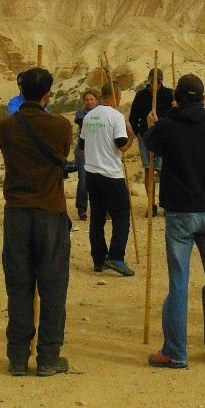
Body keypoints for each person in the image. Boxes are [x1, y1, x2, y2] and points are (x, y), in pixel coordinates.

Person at [142, 73, 205, 368]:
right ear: (203, 97)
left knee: (179, 282)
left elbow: (151, 144)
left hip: (180, 212)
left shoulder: (167, 126)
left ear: (177, 97)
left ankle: (176, 351)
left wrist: (154, 123)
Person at [0, 67, 75, 376]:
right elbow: (62, 153)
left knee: (19, 286)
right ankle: (49, 356)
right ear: (47, 95)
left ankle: (17, 356)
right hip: (50, 213)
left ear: (20, 91)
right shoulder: (60, 126)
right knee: (53, 287)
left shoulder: (4, 127)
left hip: (17, 213)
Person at [80, 81, 133, 276]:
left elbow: (82, 145)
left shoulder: (89, 116)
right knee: (122, 214)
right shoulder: (116, 116)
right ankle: (116, 256)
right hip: (111, 174)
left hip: (92, 172)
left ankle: (99, 259)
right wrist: (131, 137)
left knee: (97, 216)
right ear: (117, 95)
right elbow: (121, 145)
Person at [129, 69, 173, 217]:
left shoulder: (169, 94)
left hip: (163, 137)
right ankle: (151, 204)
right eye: (153, 81)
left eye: (158, 81)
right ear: (148, 80)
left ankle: (166, 203)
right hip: (145, 137)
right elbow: (133, 117)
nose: (156, 84)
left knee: (164, 171)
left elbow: (174, 114)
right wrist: (138, 132)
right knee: (149, 170)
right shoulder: (141, 96)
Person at [72, 89, 98, 220]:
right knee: (83, 180)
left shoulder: (100, 112)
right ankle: (82, 208)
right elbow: (80, 120)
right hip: (83, 150)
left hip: (97, 149)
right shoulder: (80, 113)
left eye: (91, 99)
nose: (89, 102)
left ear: (96, 100)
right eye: (87, 100)